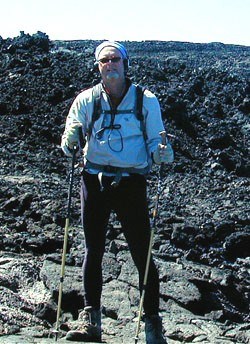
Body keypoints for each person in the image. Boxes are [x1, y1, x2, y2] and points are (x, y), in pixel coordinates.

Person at [61, 40, 174, 343]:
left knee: (142, 254)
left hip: (131, 184)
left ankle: (152, 323)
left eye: (115, 60)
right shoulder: (87, 100)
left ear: (125, 64)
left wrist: (162, 152)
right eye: (104, 61)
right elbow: (71, 132)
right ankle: (90, 319)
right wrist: (70, 139)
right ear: (98, 67)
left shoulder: (145, 100)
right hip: (93, 181)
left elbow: (156, 140)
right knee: (93, 250)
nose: (110, 65)